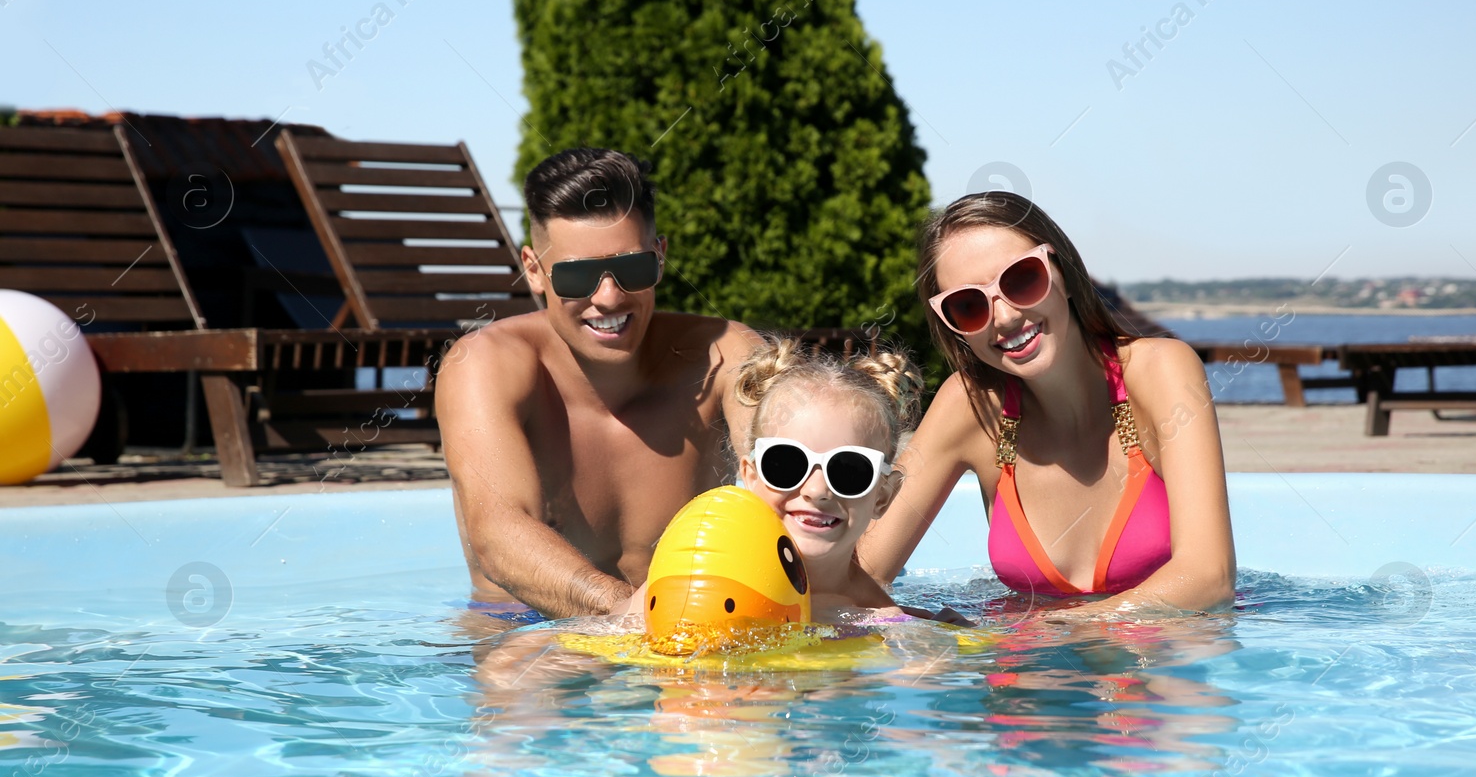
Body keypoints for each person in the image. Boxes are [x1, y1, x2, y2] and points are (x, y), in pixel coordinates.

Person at [856, 191, 1235, 616]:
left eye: (1021, 279)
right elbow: (860, 575)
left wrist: (1054, 631)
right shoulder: (971, 407)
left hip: (1165, 672)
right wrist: (922, 630)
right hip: (1027, 676)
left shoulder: (1160, 372)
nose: (1003, 317)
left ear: (1064, 272)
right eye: (968, 306)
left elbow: (1209, 577)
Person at [436, 147, 759, 619]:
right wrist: (630, 612)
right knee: (517, 683)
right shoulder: (486, 365)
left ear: (660, 258)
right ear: (533, 270)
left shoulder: (725, 355)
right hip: (526, 629)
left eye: (631, 270)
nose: (608, 297)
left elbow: (793, 487)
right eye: (577, 275)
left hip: (693, 623)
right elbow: (499, 532)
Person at [721, 337, 969, 625]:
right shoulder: (700, 575)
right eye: (787, 463)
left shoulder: (890, 631)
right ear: (751, 477)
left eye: (849, 470)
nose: (817, 491)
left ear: (882, 496)